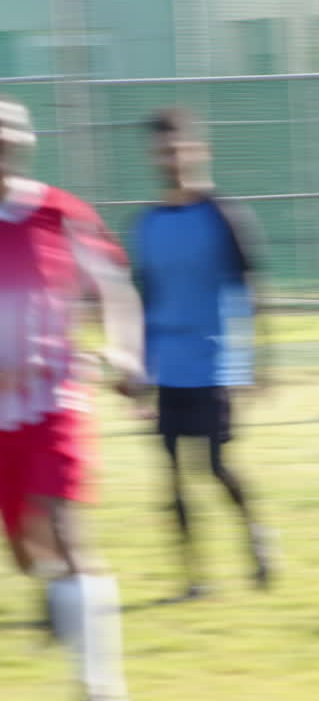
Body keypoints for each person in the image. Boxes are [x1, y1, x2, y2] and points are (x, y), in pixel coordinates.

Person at [0, 95, 143, 700]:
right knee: (30, 552)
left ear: (23, 143)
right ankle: (55, 588)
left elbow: (114, 288)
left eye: (8, 135)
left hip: (55, 397)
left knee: (66, 529)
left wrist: (124, 351)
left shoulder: (60, 213)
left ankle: (99, 686)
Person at [132, 107, 273, 598]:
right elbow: (139, 301)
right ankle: (195, 580)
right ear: (155, 156)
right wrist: (136, 369)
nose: (171, 157)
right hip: (165, 366)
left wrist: (261, 361)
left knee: (212, 466)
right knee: (170, 476)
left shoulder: (224, 216)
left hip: (212, 362)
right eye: (162, 150)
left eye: (179, 147)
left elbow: (253, 288)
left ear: (197, 149)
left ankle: (256, 538)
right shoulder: (146, 224)